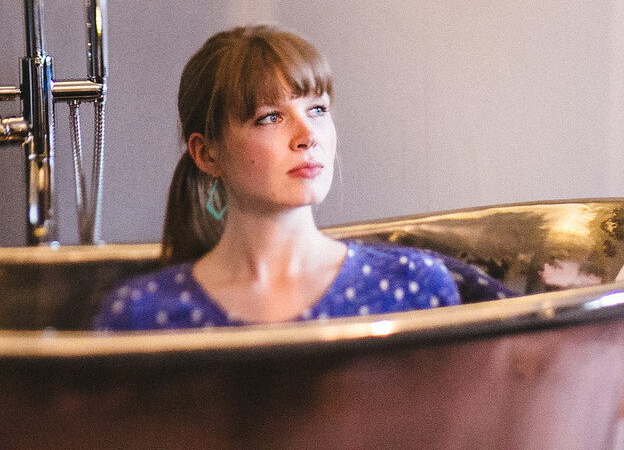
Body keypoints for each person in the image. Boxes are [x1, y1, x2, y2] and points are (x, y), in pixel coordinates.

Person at [95, 25, 511, 330]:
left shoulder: (412, 285)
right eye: (270, 117)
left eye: (317, 109)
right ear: (206, 153)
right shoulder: (142, 314)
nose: (308, 135)